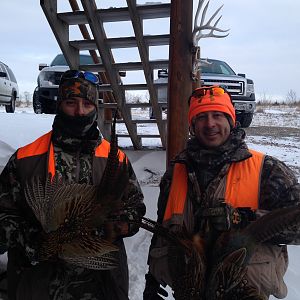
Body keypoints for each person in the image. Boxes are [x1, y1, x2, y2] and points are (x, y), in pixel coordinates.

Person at [143, 85, 300, 299]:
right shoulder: (176, 171)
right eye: (201, 117)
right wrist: (151, 277)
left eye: (217, 115)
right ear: (192, 125)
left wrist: (242, 219)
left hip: (243, 293)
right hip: (187, 290)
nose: (210, 124)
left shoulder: (266, 169)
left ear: (231, 120)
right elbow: (164, 226)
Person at [0, 70, 146, 300]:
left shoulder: (114, 159)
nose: (79, 111)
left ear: (95, 108)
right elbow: (3, 214)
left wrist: (110, 229)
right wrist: (31, 240)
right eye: (71, 103)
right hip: (39, 284)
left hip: (101, 283)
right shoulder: (25, 159)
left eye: (86, 104)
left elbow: (135, 209)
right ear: (60, 104)